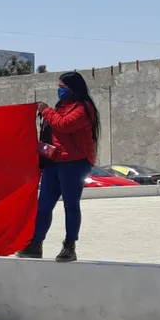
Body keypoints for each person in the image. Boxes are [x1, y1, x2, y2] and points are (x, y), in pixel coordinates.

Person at [18, 71, 100, 262]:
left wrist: (45, 110)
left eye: (62, 87)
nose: (59, 90)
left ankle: (69, 246)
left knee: (71, 205)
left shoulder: (84, 108)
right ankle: (36, 244)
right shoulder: (62, 106)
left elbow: (63, 125)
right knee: (44, 206)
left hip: (74, 163)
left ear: (73, 88)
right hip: (54, 161)